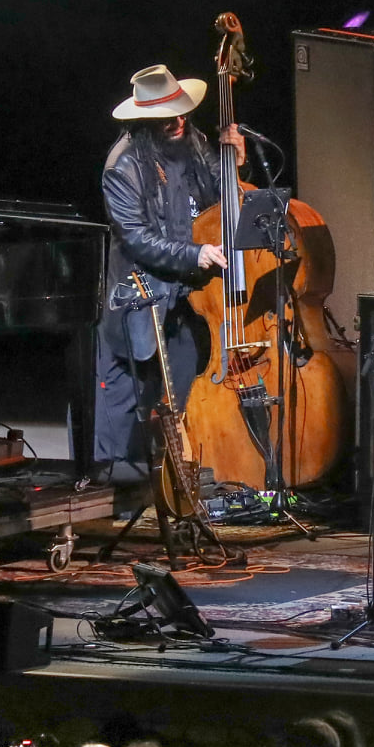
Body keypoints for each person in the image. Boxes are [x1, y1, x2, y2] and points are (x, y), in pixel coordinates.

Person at [95, 63, 245, 484]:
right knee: (130, 408)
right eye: (167, 117)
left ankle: (175, 484)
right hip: (142, 296)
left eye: (181, 112)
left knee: (178, 398)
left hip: (190, 299)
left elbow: (221, 201)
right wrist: (193, 255)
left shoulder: (192, 142)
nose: (178, 121)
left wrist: (233, 164)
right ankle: (119, 495)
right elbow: (136, 238)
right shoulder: (122, 167)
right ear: (145, 121)